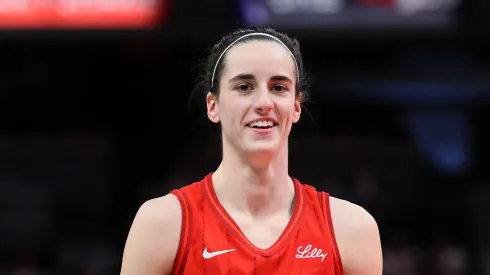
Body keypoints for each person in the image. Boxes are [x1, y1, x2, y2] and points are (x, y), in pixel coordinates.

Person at [120, 27, 383, 275]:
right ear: (213, 106)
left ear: (296, 106)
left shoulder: (351, 230)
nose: (263, 103)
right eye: (244, 87)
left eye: (278, 88)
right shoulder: (163, 224)